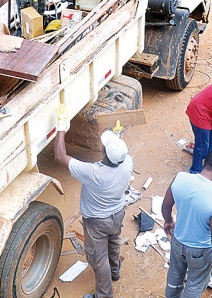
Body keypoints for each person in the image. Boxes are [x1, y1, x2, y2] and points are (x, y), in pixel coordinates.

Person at [53, 104, 132, 298]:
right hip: (117, 213)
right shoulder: (127, 162)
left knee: (99, 259)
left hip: (97, 222)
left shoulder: (94, 173)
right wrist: (117, 137)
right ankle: (115, 272)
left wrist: (61, 126)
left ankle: (104, 295)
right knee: (113, 243)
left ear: (104, 153)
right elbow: (118, 154)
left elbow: (59, 156)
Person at [162, 150, 212, 298]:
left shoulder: (180, 178)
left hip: (178, 241)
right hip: (200, 251)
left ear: (203, 162)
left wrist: (168, 221)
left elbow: (166, 205)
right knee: (195, 283)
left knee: (175, 274)